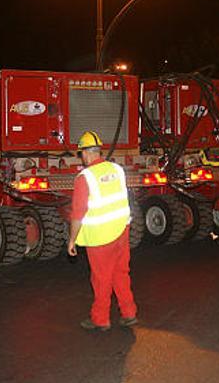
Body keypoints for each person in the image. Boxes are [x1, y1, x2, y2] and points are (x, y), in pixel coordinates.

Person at [68, 131, 137, 331]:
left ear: (86, 154)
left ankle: (100, 319)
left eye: (81, 153)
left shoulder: (85, 177)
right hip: (122, 230)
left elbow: (78, 214)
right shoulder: (117, 169)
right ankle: (129, 312)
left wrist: (71, 240)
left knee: (101, 278)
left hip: (100, 236)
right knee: (121, 273)